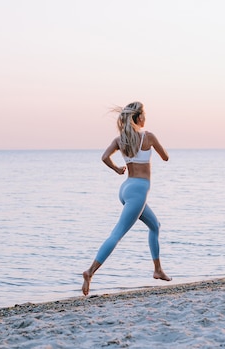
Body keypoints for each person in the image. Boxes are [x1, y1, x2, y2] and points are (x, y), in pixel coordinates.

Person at [82, 101, 172, 296]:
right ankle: (90, 272)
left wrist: (117, 169)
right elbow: (165, 157)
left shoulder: (120, 140)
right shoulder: (148, 137)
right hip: (138, 191)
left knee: (155, 225)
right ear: (139, 117)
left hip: (126, 189)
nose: (145, 118)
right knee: (117, 234)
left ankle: (158, 269)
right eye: (144, 115)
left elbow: (104, 157)